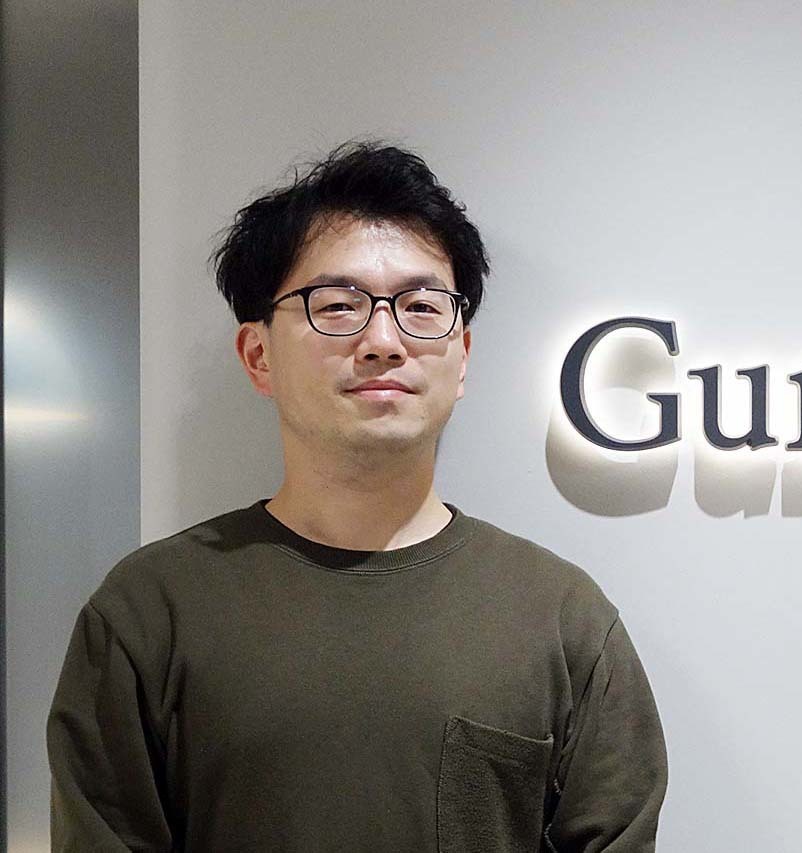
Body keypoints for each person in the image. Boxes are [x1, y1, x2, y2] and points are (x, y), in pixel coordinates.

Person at [45, 140, 669, 852]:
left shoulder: (562, 619)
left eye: (421, 306)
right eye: (338, 305)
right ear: (258, 355)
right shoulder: (147, 614)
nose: (383, 340)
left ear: (462, 356)